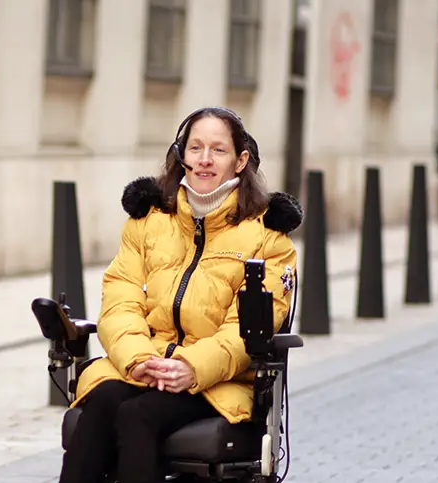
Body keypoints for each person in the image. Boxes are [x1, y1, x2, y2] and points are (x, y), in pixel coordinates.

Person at [58, 106, 303, 483]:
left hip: (217, 379)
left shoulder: (268, 236)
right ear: (181, 155)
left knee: (136, 415)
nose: (205, 160)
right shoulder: (148, 222)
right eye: (195, 148)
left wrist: (190, 368)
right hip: (146, 364)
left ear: (240, 162)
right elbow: (121, 299)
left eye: (218, 151)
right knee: (103, 399)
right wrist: (137, 359)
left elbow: (248, 328)